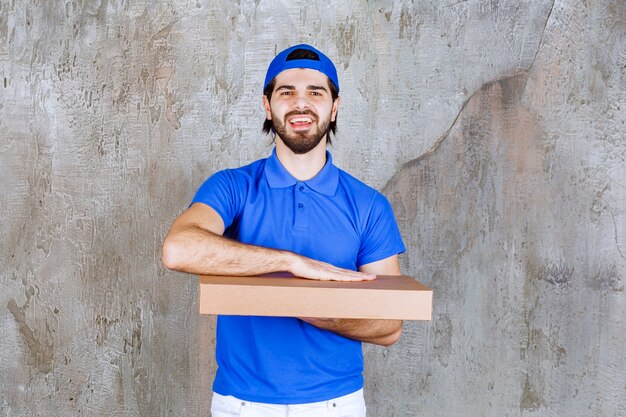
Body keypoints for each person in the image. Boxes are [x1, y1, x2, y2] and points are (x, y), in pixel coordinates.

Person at [162, 44, 406, 417]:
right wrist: (292, 264)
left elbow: (388, 326)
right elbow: (179, 249)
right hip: (241, 404)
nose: (300, 104)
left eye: (315, 92)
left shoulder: (369, 206)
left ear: (335, 106)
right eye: (286, 92)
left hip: (336, 405)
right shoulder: (232, 187)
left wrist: (301, 304)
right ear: (267, 105)